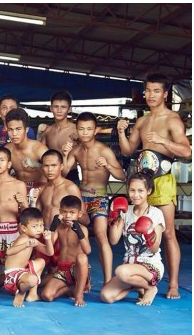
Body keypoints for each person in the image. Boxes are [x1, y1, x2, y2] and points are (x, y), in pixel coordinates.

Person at [117, 73, 191, 299]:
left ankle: (174, 284)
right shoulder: (142, 121)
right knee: (139, 228)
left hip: (163, 180)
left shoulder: (172, 120)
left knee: (168, 233)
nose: (151, 95)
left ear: (165, 94)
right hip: (142, 182)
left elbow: (188, 152)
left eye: (156, 91)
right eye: (148, 91)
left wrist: (163, 142)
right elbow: (128, 151)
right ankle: (142, 278)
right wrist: (121, 131)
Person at [62, 112, 125, 285]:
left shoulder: (104, 150)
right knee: (75, 235)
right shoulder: (76, 151)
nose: (85, 132)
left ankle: (107, 281)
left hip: (99, 197)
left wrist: (108, 165)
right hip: (82, 198)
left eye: (89, 129)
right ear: (76, 130)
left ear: (95, 130)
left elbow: (121, 175)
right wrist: (65, 155)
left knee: (100, 235)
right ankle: (80, 279)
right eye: (81, 129)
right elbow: (63, 173)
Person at [101, 171, 165, 306]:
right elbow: (113, 240)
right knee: (106, 296)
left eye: (140, 190)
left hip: (150, 267)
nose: (136, 195)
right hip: (129, 266)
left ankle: (150, 287)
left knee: (120, 271)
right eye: (132, 190)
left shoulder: (156, 213)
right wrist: (113, 218)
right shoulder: (126, 212)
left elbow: (154, 249)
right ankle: (136, 286)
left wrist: (148, 234)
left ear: (149, 191)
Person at [36, 150, 89, 278]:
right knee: (40, 278)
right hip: (46, 235)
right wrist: (30, 202)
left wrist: (70, 220)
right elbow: (35, 216)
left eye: (53, 165)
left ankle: (78, 281)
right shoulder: (42, 189)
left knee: (57, 277)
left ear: (61, 166)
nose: (49, 170)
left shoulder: (70, 188)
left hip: (62, 237)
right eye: (46, 166)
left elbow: (86, 219)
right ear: (42, 167)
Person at [0, 147, 28, 292]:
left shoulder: (18, 185)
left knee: (14, 286)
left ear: (9, 164)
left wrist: (24, 203)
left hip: (13, 233)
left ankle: (14, 276)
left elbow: (28, 215)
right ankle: (2, 276)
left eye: (2, 160)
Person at [40, 195, 91, 307]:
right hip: (62, 270)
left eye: (72, 212)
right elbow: (50, 246)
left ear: (79, 214)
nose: (68, 216)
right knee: (46, 296)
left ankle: (79, 295)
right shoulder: (59, 228)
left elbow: (87, 251)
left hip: (77, 269)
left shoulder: (82, 229)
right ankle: (71, 289)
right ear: (59, 212)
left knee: (82, 257)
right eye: (64, 212)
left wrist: (79, 232)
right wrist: (53, 226)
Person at [4, 208, 53, 307]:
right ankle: (21, 293)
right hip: (13, 276)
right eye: (35, 226)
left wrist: (48, 240)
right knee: (32, 280)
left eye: (41, 225)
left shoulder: (32, 239)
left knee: (41, 261)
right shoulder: (24, 238)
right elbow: (9, 252)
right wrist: (25, 245)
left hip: (22, 273)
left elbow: (49, 252)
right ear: (24, 228)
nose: (39, 229)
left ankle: (32, 294)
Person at [39, 91, 80, 183]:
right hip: (51, 176)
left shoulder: (76, 130)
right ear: (51, 108)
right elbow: (40, 156)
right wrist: (39, 136)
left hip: (71, 175)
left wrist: (81, 140)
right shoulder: (47, 132)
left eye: (63, 107)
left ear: (69, 109)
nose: (59, 110)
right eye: (56, 106)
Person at [4, 108, 49, 192]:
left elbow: (55, 170)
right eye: (10, 130)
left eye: (18, 129)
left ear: (26, 129)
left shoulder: (39, 149)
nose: (14, 134)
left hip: (40, 189)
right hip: (18, 190)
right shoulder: (7, 150)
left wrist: (36, 165)